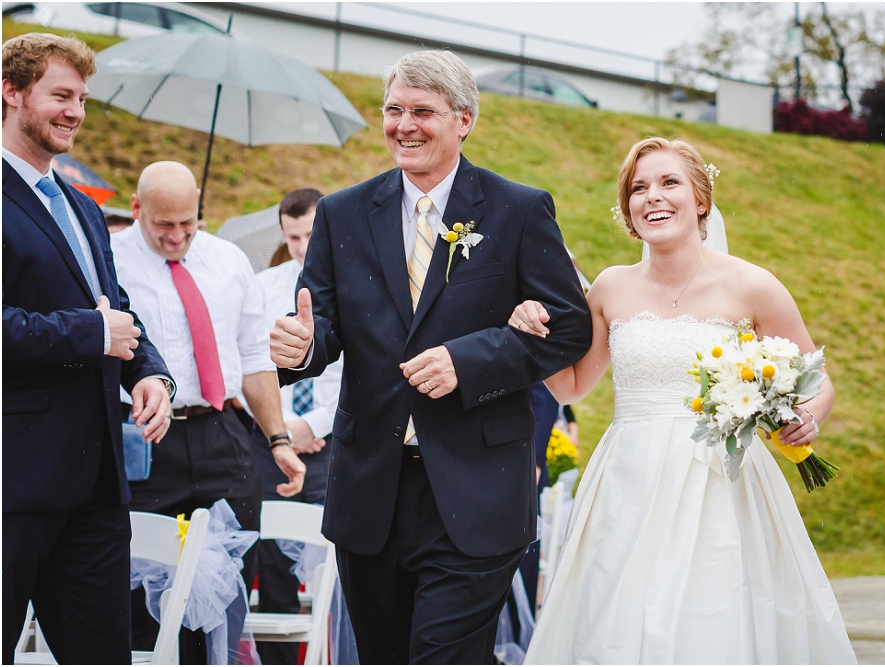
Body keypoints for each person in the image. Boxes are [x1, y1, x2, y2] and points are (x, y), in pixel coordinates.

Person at [269, 50, 592, 664]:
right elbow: (325, 328)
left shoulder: (519, 210)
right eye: (394, 110)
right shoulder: (341, 214)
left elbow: (570, 326)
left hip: (477, 489)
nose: (404, 125)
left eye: (423, 111)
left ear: (464, 119)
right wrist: (303, 347)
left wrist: (469, 362)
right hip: (371, 492)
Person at [512, 137, 857, 664]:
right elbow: (570, 387)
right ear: (628, 210)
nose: (653, 196)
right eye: (638, 188)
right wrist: (532, 333)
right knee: (619, 620)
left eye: (669, 182)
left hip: (722, 484)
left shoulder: (752, 285)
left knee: (716, 618)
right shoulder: (609, 287)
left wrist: (807, 417)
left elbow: (817, 379)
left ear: (701, 199)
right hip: (628, 483)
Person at [2, 33, 174, 664]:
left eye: (82, 97)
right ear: (12, 92)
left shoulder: (80, 204)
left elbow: (115, 309)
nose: (75, 110)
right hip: (11, 484)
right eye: (61, 95)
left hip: (97, 485)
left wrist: (151, 375)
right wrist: (88, 334)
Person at [112, 161, 305, 662]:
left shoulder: (228, 260)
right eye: (164, 225)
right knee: (138, 588)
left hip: (221, 433)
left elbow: (254, 360)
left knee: (225, 587)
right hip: (142, 438)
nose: (178, 236)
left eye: (188, 223)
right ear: (137, 209)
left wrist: (278, 438)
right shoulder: (109, 261)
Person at [251, 187, 345, 665]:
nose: (303, 247)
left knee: (339, 559)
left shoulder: (350, 282)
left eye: (310, 234)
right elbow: (253, 362)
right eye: (293, 238)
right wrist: (281, 430)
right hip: (275, 437)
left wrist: (312, 424)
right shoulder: (265, 286)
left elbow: (354, 372)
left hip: (332, 441)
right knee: (273, 561)